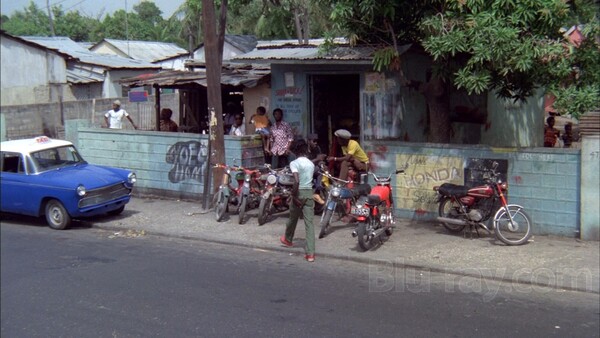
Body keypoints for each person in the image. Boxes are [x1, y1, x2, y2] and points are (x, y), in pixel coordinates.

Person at [279, 139, 316, 262]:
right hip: (309, 194)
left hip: (299, 192)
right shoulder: (311, 164)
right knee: (309, 225)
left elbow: (296, 180)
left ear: (295, 151)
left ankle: (288, 239)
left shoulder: (294, 163)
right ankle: (310, 254)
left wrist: (293, 196)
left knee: (292, 218)